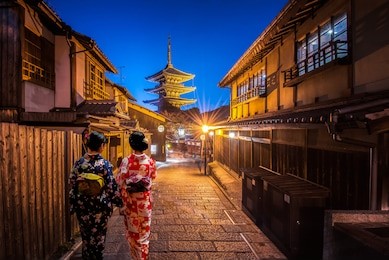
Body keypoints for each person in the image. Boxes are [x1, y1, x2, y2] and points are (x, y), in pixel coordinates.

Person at [69, 131, 123, 259]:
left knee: (86, 237)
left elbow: (72, 183)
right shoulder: (104, 164)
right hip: (100, 206)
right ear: (101, 146)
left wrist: (74, 201)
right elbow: (111, 187)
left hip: (82, 206)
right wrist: (119, 203)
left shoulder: (79, 163)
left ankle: (87, 257)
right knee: (99, 238)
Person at [116, 131, 157, 260]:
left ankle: (136, 257)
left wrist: (122, 200)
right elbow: (153, 177)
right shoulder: (150, 162)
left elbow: (120, 181)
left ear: (132, 145)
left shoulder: (126, 161)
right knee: (144, 235)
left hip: (131, 203)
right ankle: (142, 257)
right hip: (144, 202)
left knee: (133, 234)